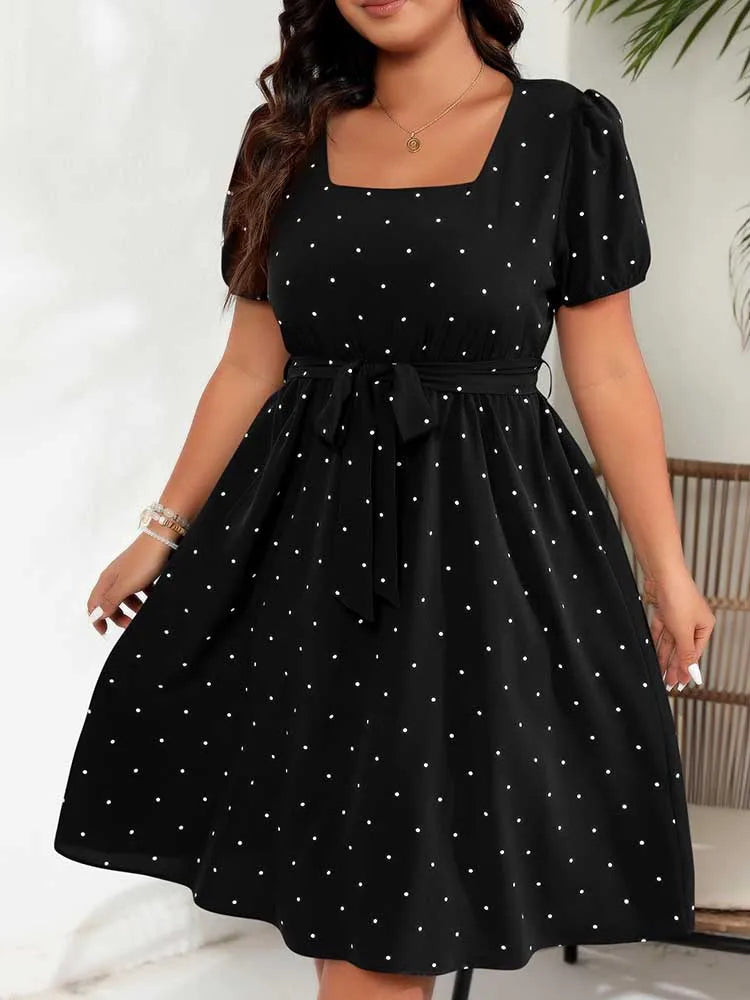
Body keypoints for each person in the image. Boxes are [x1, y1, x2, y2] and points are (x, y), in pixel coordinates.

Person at [54, 1, 715, 998]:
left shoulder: (561, 132)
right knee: (350, 891)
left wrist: (666, 571)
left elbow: (610, 370)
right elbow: (250, 364)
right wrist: (162, 529)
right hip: (306, 548)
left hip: (484, 555)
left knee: (394, 907)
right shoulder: (285, 137)